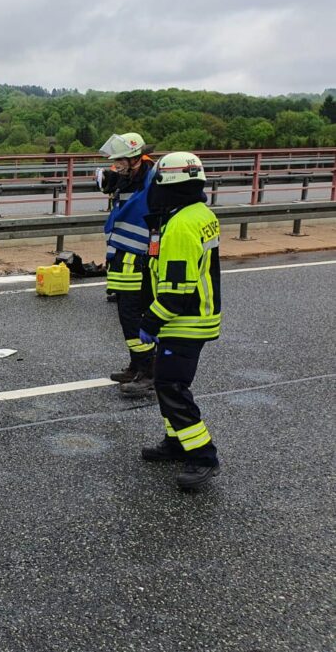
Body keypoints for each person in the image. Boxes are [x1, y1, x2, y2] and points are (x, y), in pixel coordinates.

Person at [133, 151, 222, 490]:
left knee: (172, 386)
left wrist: (150, 321)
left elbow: (177, 291)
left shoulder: (181, 226)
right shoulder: (198, 212)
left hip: (184, 320)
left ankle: (203, 456)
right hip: (194, 316)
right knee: (165, 383)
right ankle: (176, 442)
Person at [98, 133, 157, 391]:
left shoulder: (151, 176)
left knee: (134, 314)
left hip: (140, 256)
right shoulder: (130, 178)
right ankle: (136, 364)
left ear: (134, 158)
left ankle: (149, 371)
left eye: (120, 161)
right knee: (126, 313)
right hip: (122, 254)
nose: (116, 166)